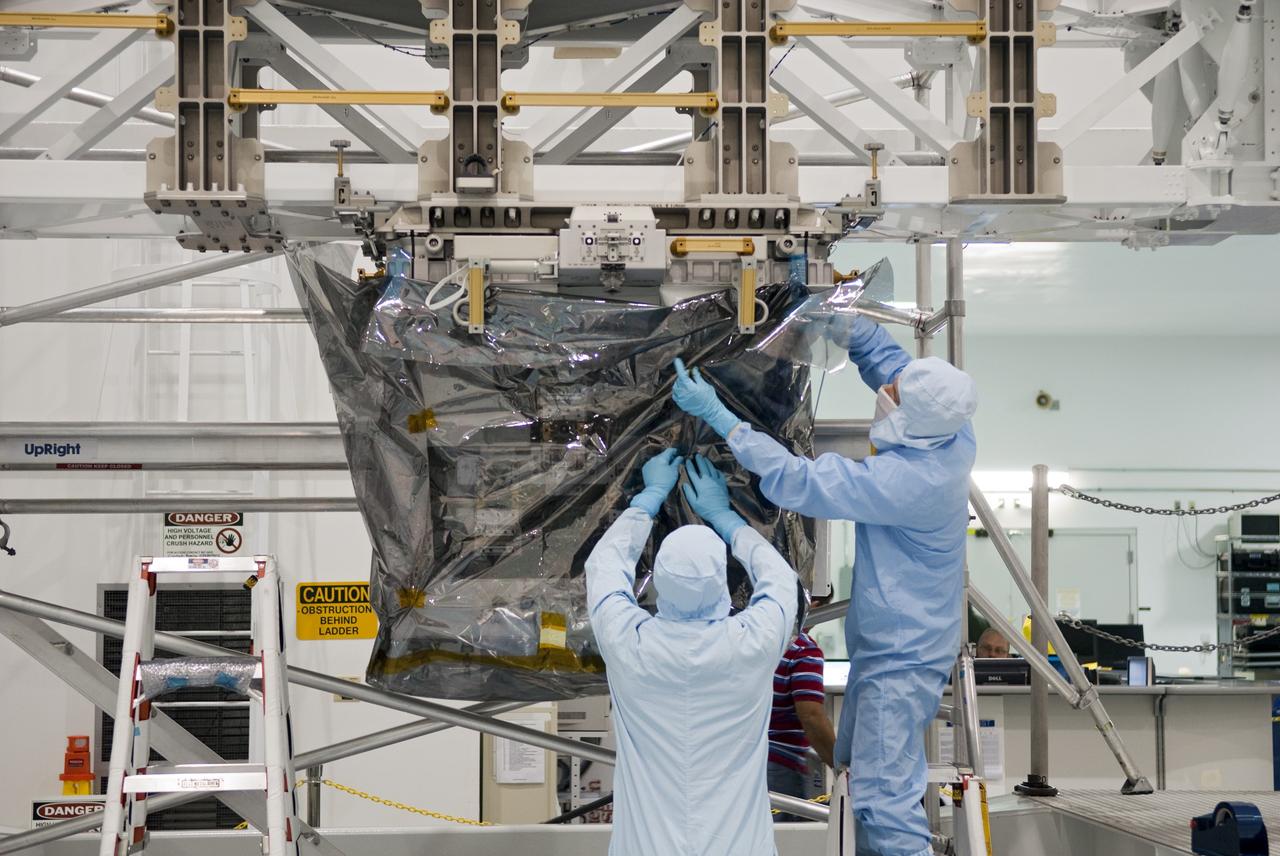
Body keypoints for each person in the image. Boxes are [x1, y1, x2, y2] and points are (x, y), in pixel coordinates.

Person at [671, 314, 978, 856]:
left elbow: (799, 481)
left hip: (899, 663)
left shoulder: (908, 481)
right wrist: (843, 321)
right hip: (892, 653)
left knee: (882, 802)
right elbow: (892, 366)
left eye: (894, 396)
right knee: (856, 777)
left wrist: (722, 418)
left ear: (914, 419)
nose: (885, 391)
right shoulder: (950, 429)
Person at [585, 448, 798, 856]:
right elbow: (781, 580)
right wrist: (726, 518)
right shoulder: (751, 644)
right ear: (720, 581)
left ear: (660, 582)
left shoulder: (630, 644)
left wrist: (648, 499)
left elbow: (604, 567)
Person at [768, 628, 836, 822]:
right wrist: (839, 766)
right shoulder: (803, 649)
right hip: (781, 765)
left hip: (741, 762)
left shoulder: (748, 639)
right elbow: (811, 716)